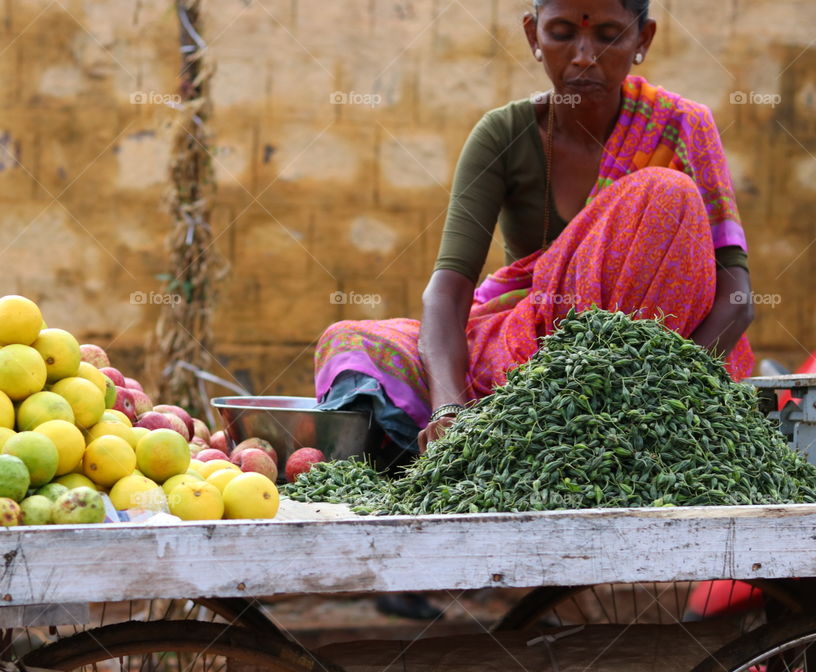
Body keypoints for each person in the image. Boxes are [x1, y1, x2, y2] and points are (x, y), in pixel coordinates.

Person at [315, 0, 754, 461]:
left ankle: (601, 411)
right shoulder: (504, 133)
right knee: (355, 341)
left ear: (642, 40)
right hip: (530, 358)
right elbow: (448, 290)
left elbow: (737, 301)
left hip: (662, 370)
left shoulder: (684, 128)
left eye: (608, 35)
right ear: (533, 36)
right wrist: (450, 409)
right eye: (563, 33)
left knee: (665, 193)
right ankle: (530, 420)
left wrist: (660, 398)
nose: (585, 55)